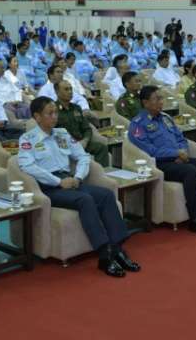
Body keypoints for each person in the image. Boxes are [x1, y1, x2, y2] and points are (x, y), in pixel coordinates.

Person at [18, 96, 139, 278]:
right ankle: (104, 254)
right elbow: (28, 166)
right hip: (49, 187)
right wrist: (58, 182)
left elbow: (82, 156)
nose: (55, 116)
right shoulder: (28, 139)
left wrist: (78, 177)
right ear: (37, 116)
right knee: (85, 199)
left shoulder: (62, 133)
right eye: (50, 113)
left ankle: (117, 249)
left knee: (106, 195)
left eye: (56, 112)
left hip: (71, 181)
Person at [127, 85, 196, 236]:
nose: (161, 102)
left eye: (161, 98)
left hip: (180, 158)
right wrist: (175, 153)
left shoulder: (166, 118)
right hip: (160, 164)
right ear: (145, 102)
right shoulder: (138, 124)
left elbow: (181, 139)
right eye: (157, 99)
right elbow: (149, 151)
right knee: (190, 171)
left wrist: (183, 152)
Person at [53, 80, 110, 168]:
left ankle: (102, 173)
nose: (70, 92)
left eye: (71, 89)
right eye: (66, 89)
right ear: (57, 92)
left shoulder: (76, 108)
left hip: (82, 143)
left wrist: (85, 141)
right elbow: (53, 133)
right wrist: (73, 146)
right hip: (66, 147)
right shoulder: (53, 110)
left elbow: (87, 128)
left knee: (101, 147)